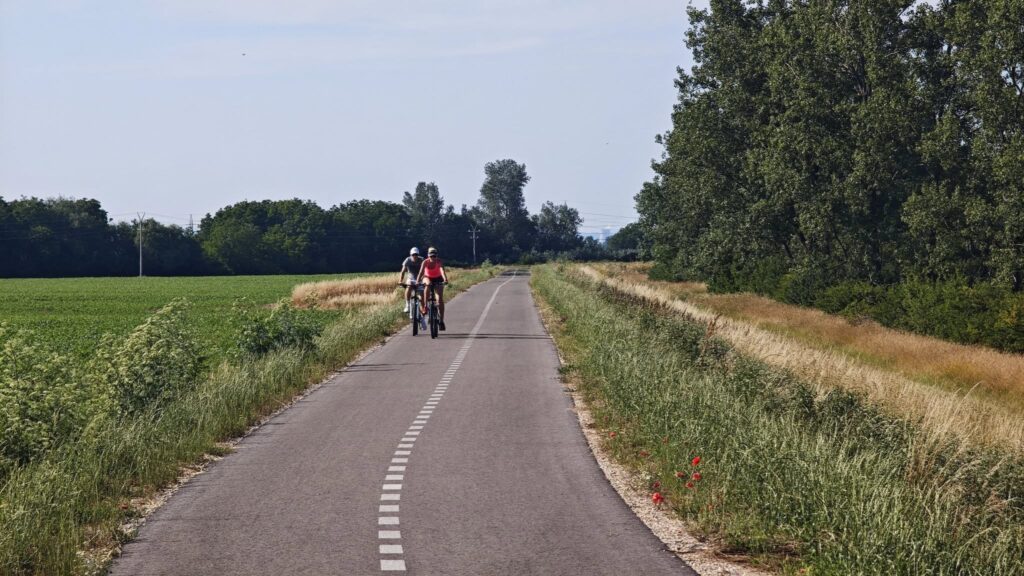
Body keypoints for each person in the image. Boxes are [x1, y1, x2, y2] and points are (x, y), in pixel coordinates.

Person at [417, 246, 448, 330]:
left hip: (438, 278)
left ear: (436, 256)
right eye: (431, 256)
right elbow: (421, 272)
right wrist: (417, 281)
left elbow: (442, 271)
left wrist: (445, 279)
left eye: (434, 256)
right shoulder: (425, 262)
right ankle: (425, 306)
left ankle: (441, 321)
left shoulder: (439, 261)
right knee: (427, 284)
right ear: (428, 256)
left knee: (440, 300)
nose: (433, 258)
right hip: (427, 277)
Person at [399, 247, 422, 313]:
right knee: (408, 286)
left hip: (420, 279)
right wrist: (400, 280)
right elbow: (403, 271)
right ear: (410, 255)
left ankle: (422, 313)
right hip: (411, 278)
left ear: (418, 254)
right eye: (413, 254)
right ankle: (407, 305)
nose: (415, 256)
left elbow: (425, 271)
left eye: (416, 254)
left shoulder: (422, 260)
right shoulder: (408, 260)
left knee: (422, 296)